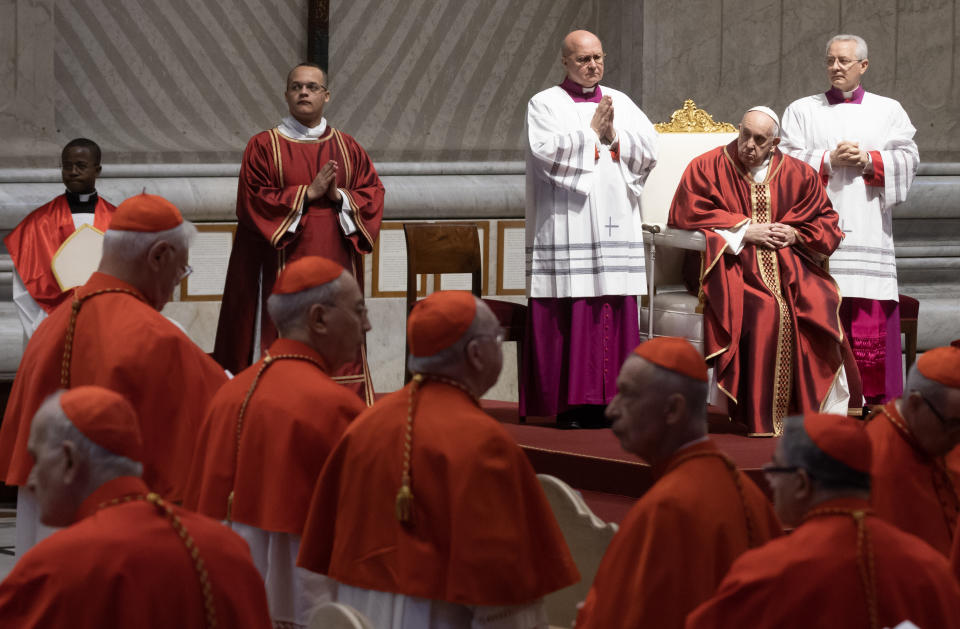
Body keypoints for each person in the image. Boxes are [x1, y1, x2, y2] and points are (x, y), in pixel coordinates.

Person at [297, 290, 579, 628]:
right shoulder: (484, 443)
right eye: (498, 339)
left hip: (354, 613)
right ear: (476, 354)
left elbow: (318, 559)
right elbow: (504, 595)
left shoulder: (365, 425)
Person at [0, 193, 227, 555]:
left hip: (49, 533)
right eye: (180, 270)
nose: (174, 287)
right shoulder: (157, 336)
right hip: (122, 539)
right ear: (159, 256)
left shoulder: (50, 325)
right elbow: (230, 411)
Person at [184, 256, 369, 627]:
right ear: (318, 319)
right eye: (358, 310)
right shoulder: (335, 408)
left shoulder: (228, 394)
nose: (367, 325)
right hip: (307, 602)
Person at [0, 386, 272, 628]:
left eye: (36, 459)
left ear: (69, 461)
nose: (31, 479)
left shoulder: (53, 568)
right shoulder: (227, 548)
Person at [574, 337, 782, 629]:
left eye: (627, 396)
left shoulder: (666, 507)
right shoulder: (747, 494)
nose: (612, 410)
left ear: (672, 409)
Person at [686, 412, 960, 629]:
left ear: (803, 483)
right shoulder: (930, 569)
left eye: (777, 469)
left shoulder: (766, 572)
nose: (770, 479)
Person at [668, 106, 848, 435]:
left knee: (820, 302)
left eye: (760, 140)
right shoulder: (707, 166)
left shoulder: (799, 173)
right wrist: (741, 231)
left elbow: (826, 221)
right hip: (729, 265)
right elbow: (684, 212)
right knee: (769, 308)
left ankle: (805, 410)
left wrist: (796, 234)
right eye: (745, 135)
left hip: (790, 266)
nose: (749, 145)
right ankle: (760, 415)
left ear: (775, 142)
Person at [213, 62, 384, 405]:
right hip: (280, 265)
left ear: (326, 95)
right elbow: (252, 201)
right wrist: (306, 194)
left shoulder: (348, 148)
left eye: (311, 87)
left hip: (336, 265)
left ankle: (343, 405)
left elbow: (373, 194)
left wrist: (339, 197)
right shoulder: (263, 146)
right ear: (286, 94)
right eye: (296, 87)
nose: (303, 92)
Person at [523, 29, 658, 426]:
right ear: (565, 61)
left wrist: (614, 134)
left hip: (617, 225)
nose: (592, 65)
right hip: (570, 223)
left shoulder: (623, 103)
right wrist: (589, 134)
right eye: (583, 59)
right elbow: (544, 153)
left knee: (614, 306)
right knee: (573, 303)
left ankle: (616, 403)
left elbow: (649, 149)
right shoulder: (543, 104)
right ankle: (572, 405)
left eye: (597, 57)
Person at [781, 35, 919, 407]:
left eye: (844, 61)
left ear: (864, 66)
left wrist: (870, 161)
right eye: (831, 61)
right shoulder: (801, 110)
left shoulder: (888, 110)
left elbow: (908, 157)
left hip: (869, 224)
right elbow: (785, 161)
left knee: (867, 306)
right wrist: (828, 160)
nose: (836, 67)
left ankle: (870, 398)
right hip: (816, 229)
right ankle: (819, 396)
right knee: (820, 304)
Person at [4, 138, 117, 337]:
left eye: (81, 166)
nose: (73, 172)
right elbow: (23, 290)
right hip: (52, 329)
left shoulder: (119, 223)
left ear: (97, 170)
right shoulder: (36, 224)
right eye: (67, 166)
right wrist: (47, 328)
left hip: (108, 327)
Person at [864, 345, 960, 556]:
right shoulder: (876, 459)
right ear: (915, 404)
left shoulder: (941, 438)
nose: (957, 437)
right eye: (953, 424)